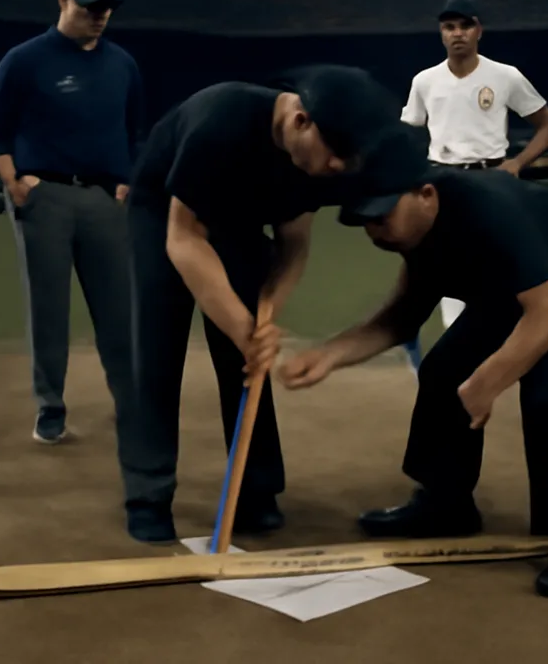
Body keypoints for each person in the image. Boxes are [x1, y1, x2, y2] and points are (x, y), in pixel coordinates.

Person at [278, 122, 548, 599]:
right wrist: (328, 353)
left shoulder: (486, 205)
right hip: (521, 299)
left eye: (382, 216)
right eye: (365, 221)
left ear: (425, 194)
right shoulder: (414, 235)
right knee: (444, 371)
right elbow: (400, 319)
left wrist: (488, 380)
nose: (375, 232)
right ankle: (446, 503)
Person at [121, 65, 401, 544]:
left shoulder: (323, 163)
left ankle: (257, 490)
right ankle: (148, 494)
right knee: (158, 351)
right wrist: (240, 324)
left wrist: (266, 311)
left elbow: (293, 245)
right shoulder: (220, 121)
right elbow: (184, 240)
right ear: (300, 121)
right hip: (165, 216)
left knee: (247, 361)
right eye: (334, 154)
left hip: (240, 222)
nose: (337, 167)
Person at [0, 0, 142, 447]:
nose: (99, 15)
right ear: (63, 0)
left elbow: (132, 130)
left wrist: (125, 182)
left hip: (103, 199)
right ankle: (50, 408)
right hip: (44, 195)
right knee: (49, 308)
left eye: (107, 7)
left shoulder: (122, 64)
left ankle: (132, 404)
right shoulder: (27, 59)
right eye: (91, 5)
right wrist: (13, 182)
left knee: (119, 309)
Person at [400, 0, 548, 368]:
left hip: (493, 183)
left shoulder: (504, 75)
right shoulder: (425, 81)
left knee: (505, 270)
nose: (457, 34)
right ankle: (461, 364)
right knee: (449, 278)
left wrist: (517, 162)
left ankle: (513, 356)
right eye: (449, 27)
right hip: (444, 183)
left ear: (478, 30)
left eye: (464, 26)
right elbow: (407, 136)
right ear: (441, 33)